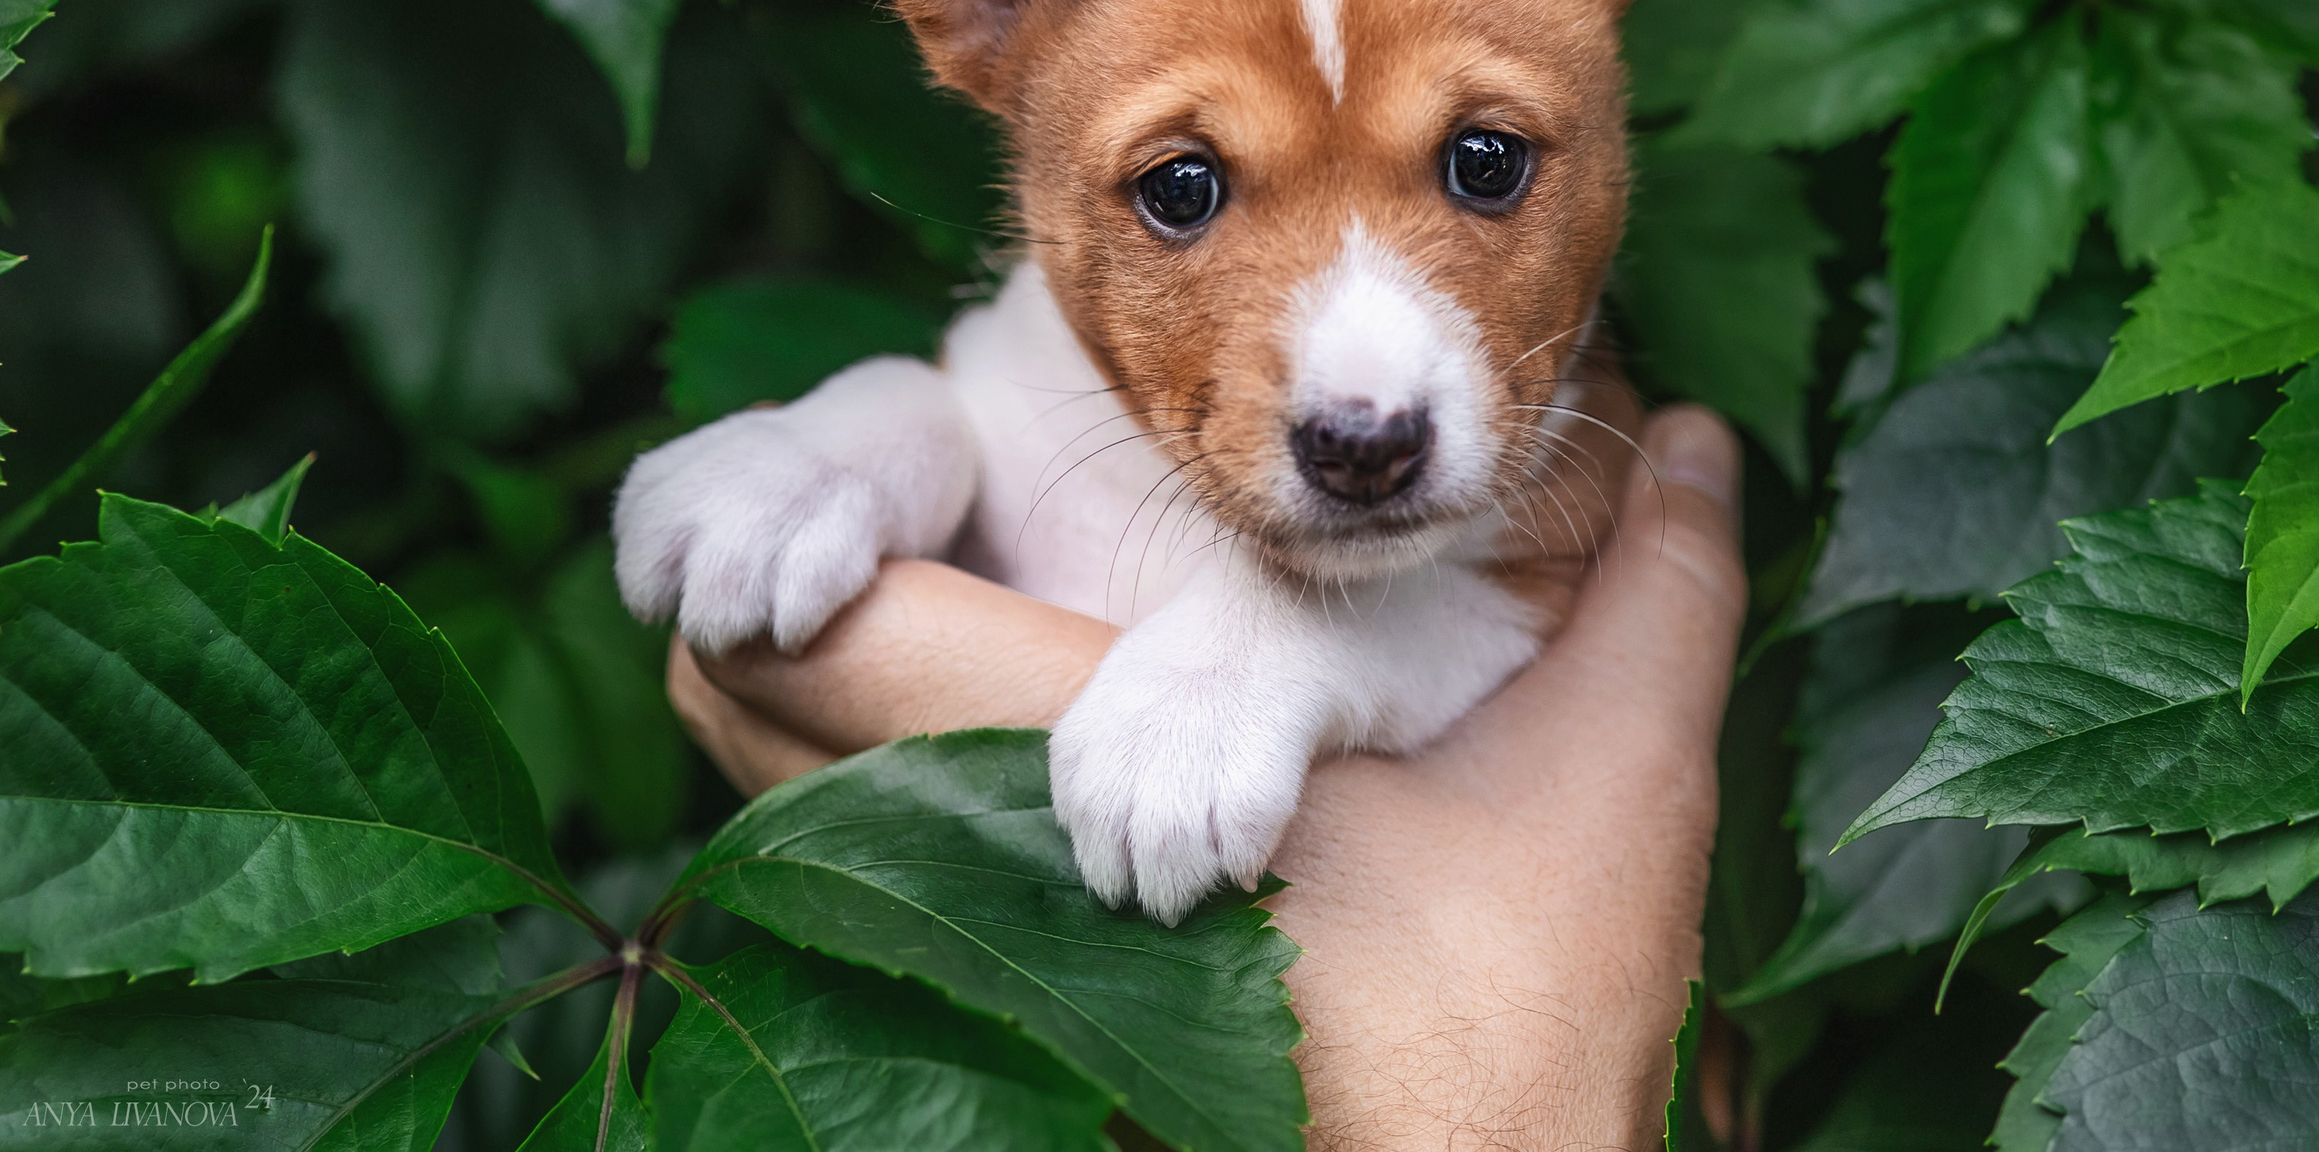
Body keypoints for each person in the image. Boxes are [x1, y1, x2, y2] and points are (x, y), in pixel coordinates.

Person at [667, 406, 1746, 1150]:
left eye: (1480, 164)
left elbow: (1506, 591)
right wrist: (882, 436)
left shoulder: (1547, 464)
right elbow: (987, 406)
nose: (1361, 403)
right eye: (1185, 190)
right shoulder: (1028, 367)